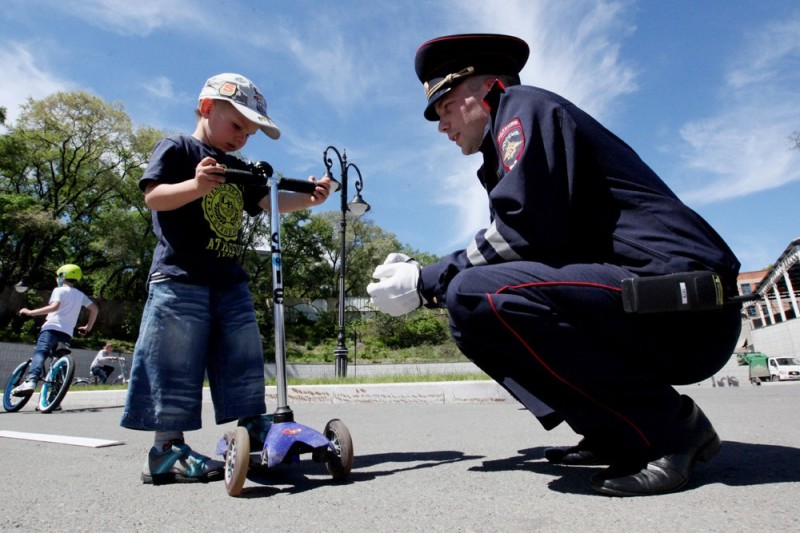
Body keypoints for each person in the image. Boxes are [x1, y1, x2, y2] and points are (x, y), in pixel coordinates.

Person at [367, 34, 742, 497]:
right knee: (469, 312)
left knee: (472, 293)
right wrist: (434, 281)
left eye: (445, 107)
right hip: (646, 298)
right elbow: (528, 248)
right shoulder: (502, 149)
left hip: (683, 304)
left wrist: (426, 279)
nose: (441, 126)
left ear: (486, 89)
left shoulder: (522, 107)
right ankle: (614, 428)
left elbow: (523, 229)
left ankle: (673, 431)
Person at [120, 73, 332, 485]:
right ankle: (166, 451)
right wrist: (196, 185)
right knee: (175, 364)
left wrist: (308, 198)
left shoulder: (237, 166)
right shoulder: (178, 147)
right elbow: (154, 196)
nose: (242, 138)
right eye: (237, 126)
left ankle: (254, 429)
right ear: (206, 108)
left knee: (243, 358)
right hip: (179, 278)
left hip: (229, 281)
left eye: (249, 133)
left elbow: (270, 201)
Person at [13, 264, 99, 396]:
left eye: (58, 276)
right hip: (66, 333)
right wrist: (88, 327)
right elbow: (95, 309)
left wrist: (30, 312)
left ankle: (31, 380)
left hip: (51, 328)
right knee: (60, 360)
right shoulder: (80, 295)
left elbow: (54, 306)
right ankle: (55, 395)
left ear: (62, 276)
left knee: (40, 353)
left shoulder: (59, 290)